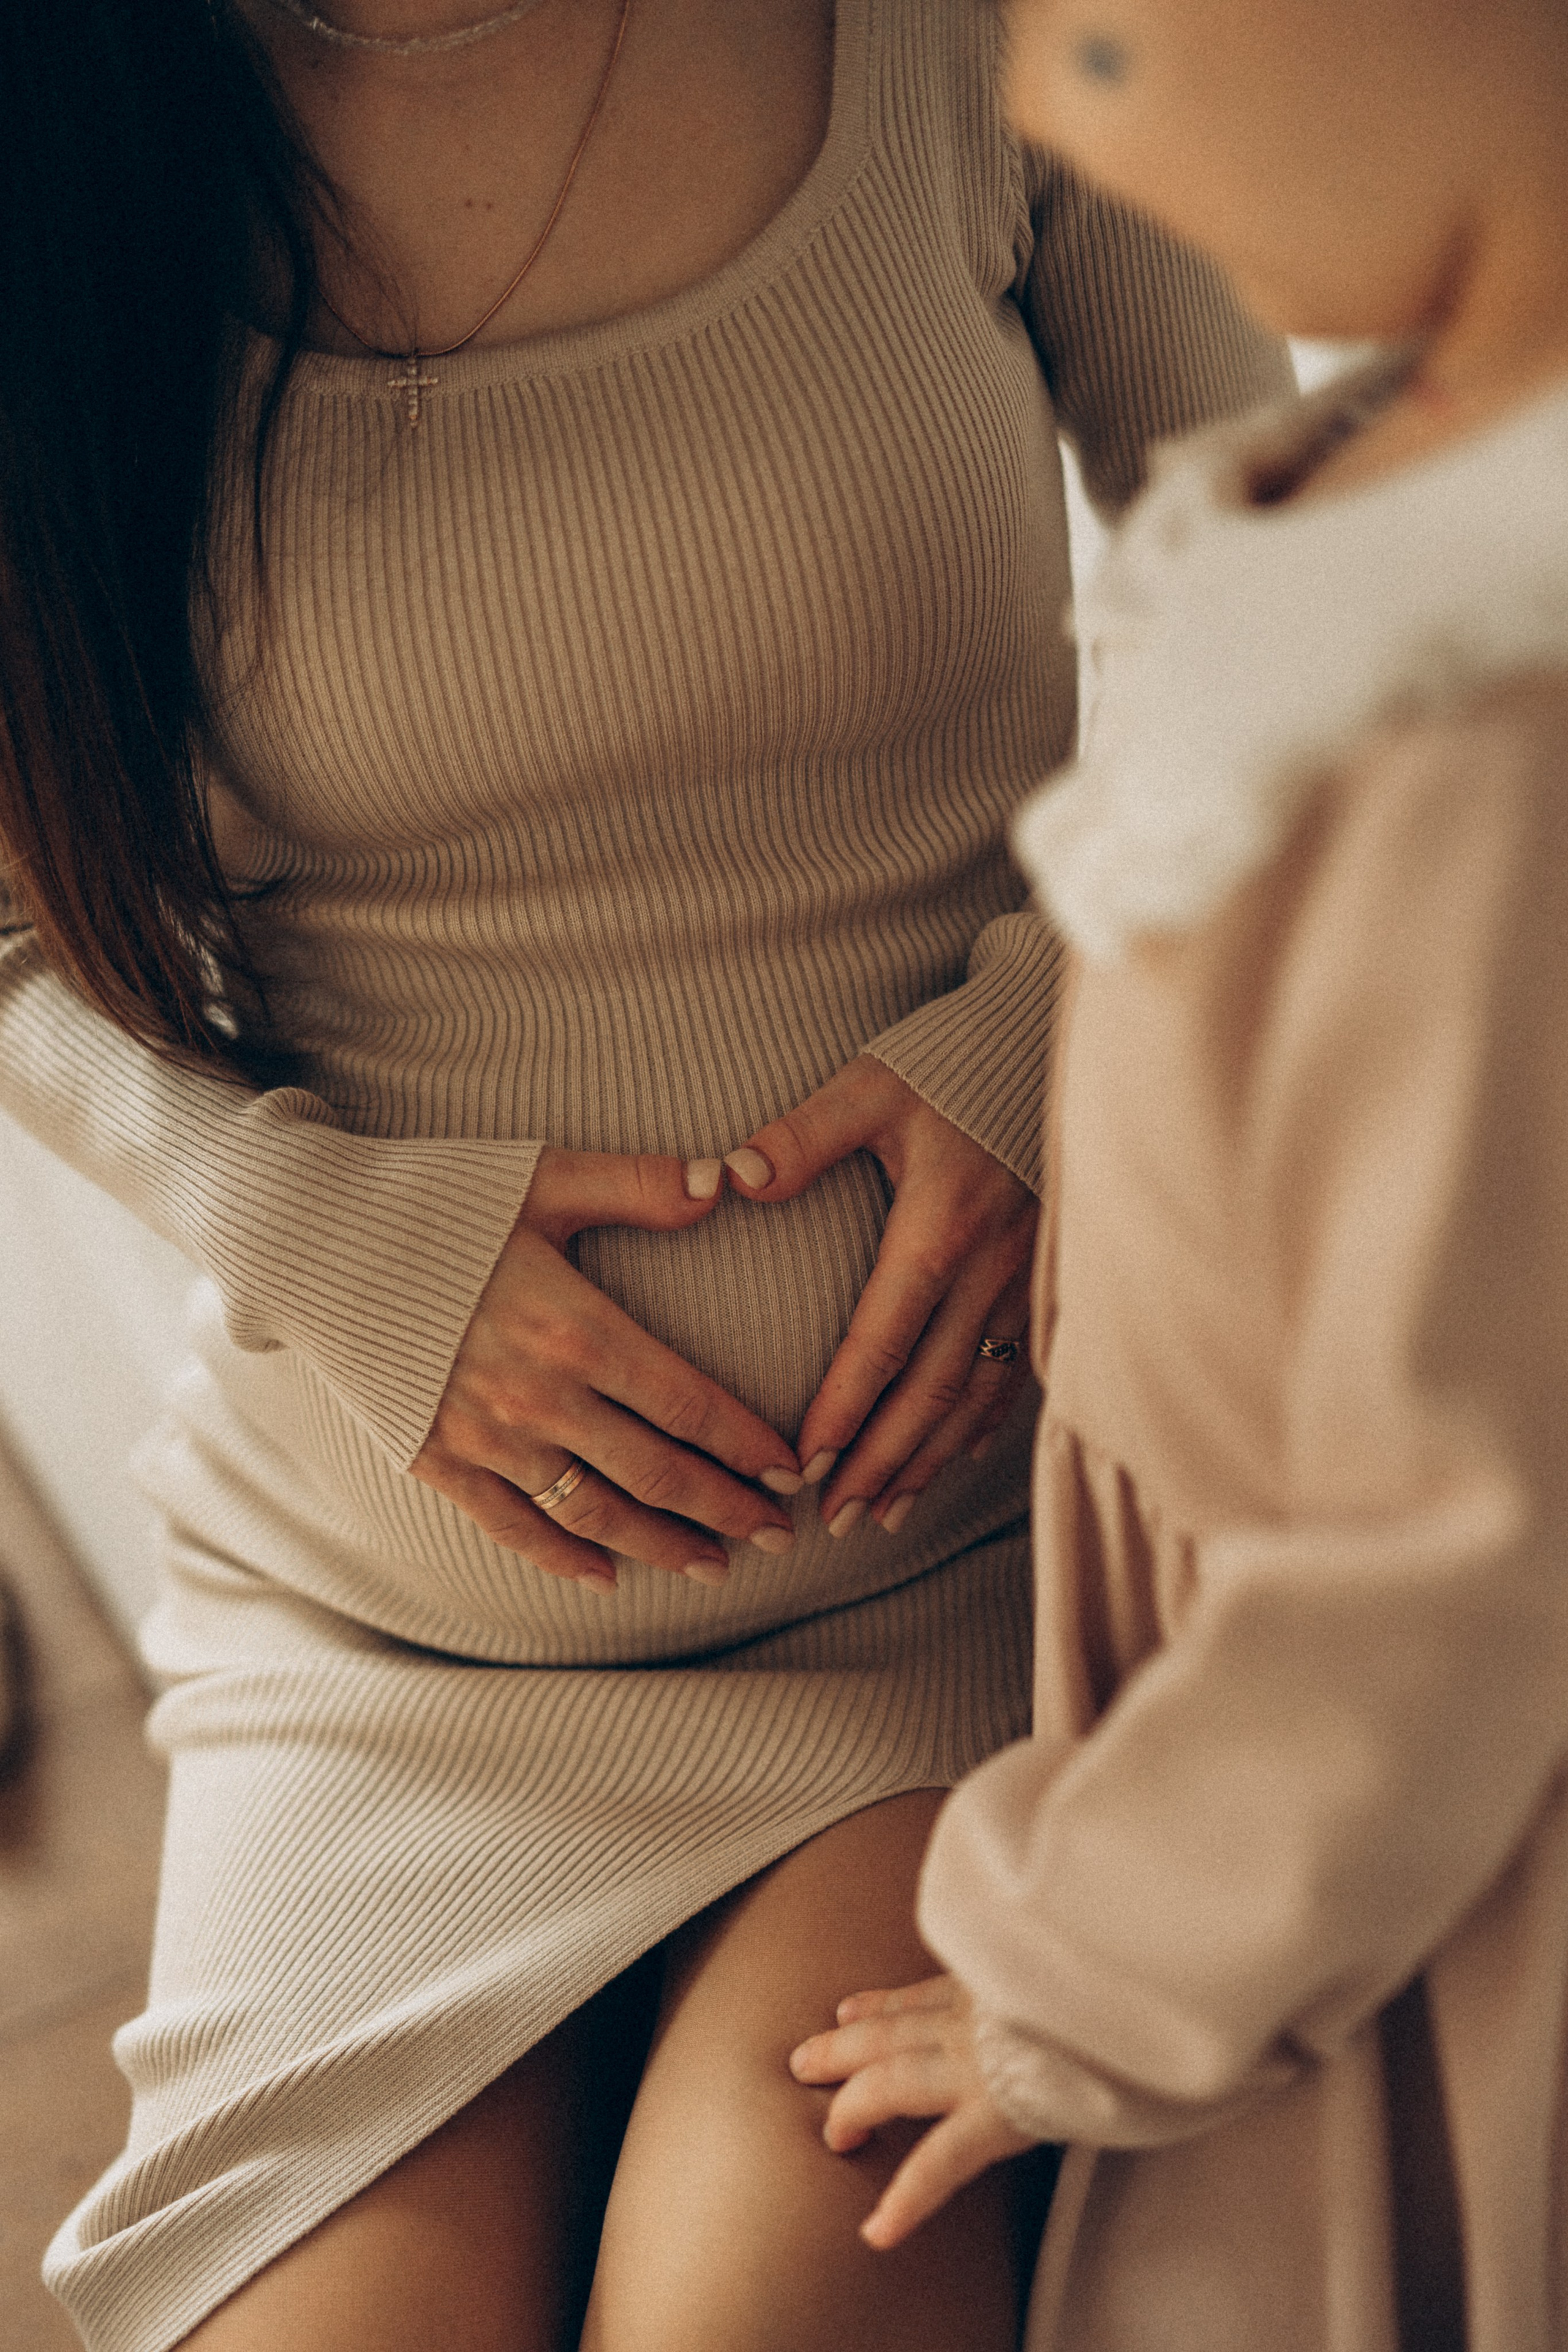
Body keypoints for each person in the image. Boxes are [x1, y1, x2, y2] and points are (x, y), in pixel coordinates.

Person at [2, 2, 1284, 2345]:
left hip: (974, 1560)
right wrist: (325, 1237)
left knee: (765, 2300)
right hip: (393, 1645)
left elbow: (1313, 575)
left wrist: (1058, 1035)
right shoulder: (55, 133)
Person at [791, 1, 1568, 2346]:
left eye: (1102, 36)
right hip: (1206, 1679)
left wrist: (1091, 1987)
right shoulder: (1369, 483)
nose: (1030, 100)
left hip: (1351, 1839)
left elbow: (1449, 1567)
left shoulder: (1493, 733)